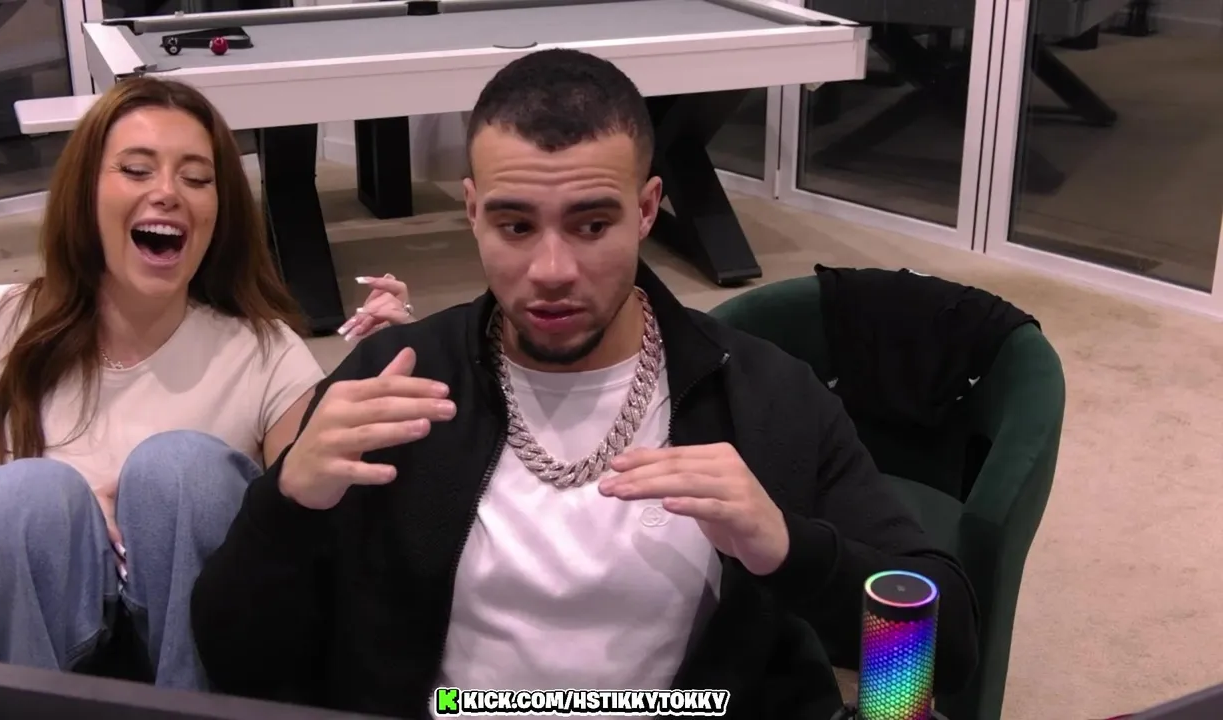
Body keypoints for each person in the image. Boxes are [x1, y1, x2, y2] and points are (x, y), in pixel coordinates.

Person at [190, 49, 980, 719]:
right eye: (516, 225)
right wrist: (287, 504)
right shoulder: (392, 383)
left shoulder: (765, 397)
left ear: (648, 210)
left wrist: (787, 549)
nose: (552, 270)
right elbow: (236, 658)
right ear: (472, 212)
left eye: (593, 225)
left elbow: (942, 655)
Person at [0, 77, 410, 690]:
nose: (166, 193)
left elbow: (322, 537)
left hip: (201, 657)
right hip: (23, 656)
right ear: (85, 193)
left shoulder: (267, 354)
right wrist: (69, 520)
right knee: (26, 498)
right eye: (136, 170)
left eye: (196, 178)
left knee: (182, 469)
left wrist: (393, 367)